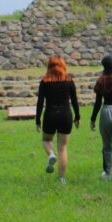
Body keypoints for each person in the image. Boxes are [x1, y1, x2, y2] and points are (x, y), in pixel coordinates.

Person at [34, 56, 80, 184]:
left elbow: (40, 102)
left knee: (46, 139)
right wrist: (78, 117)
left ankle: (50, 154)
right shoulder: (69, 80)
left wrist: (37, 120)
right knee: (63, 148)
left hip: (50, 114)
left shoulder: (44, 81)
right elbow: (75, 101)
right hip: (65, 115)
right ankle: (61, 178)